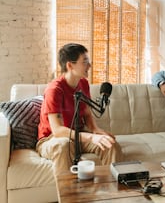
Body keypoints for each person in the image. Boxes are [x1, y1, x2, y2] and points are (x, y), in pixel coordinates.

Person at [36, 43, 122, 176]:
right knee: (64, 146)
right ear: (70, 65)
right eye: (85, 61)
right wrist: (91, 137)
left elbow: (87, 112)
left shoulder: (83, 83)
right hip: (52, 139)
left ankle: (110, 190)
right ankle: (68, 195)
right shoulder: (54, 90)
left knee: (110, 145)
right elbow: (58, 130)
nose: (89, 65)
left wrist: (95, 130)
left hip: (78, 134)